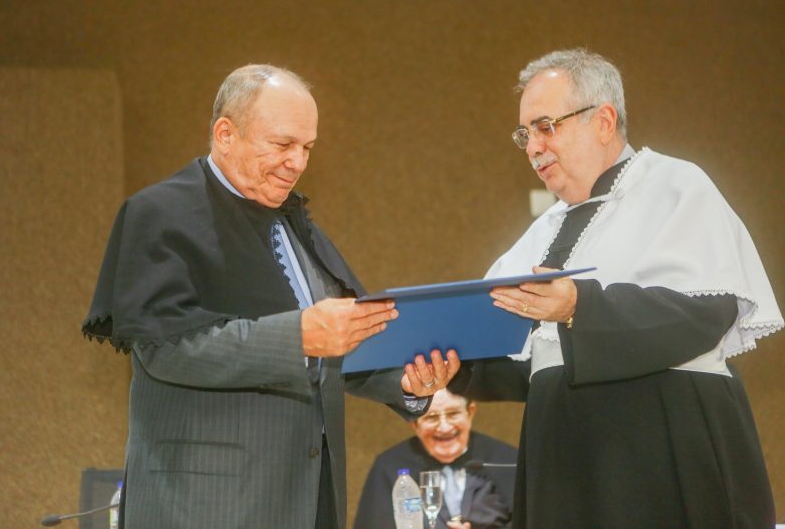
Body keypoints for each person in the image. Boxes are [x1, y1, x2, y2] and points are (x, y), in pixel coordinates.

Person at [82, 64, 460, 529]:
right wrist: (298, 337)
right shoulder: (160, 213)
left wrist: (406, 384)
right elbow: (166, 351)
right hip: (207, 504)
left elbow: (337, 344)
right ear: (225, 133)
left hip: (307, 497)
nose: (298, 163)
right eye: (283, 145)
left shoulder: (295, 226)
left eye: (307, 148)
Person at [447, 48, 783, 528]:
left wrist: (581, 306)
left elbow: (705, 314)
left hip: (663, 455)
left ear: (604, 121)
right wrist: (454, 368)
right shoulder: (544, 231)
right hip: (565, 467)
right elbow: (535, 363)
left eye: (546, 126)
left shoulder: (675, 186)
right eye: (525, 134)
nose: (533, 147)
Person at [355, 389, 516, 529]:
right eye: (431, 417)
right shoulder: (388, 466)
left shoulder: (507, 459)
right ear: (415, 424)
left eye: (453, 414)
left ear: (470, 412)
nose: (444, 427)